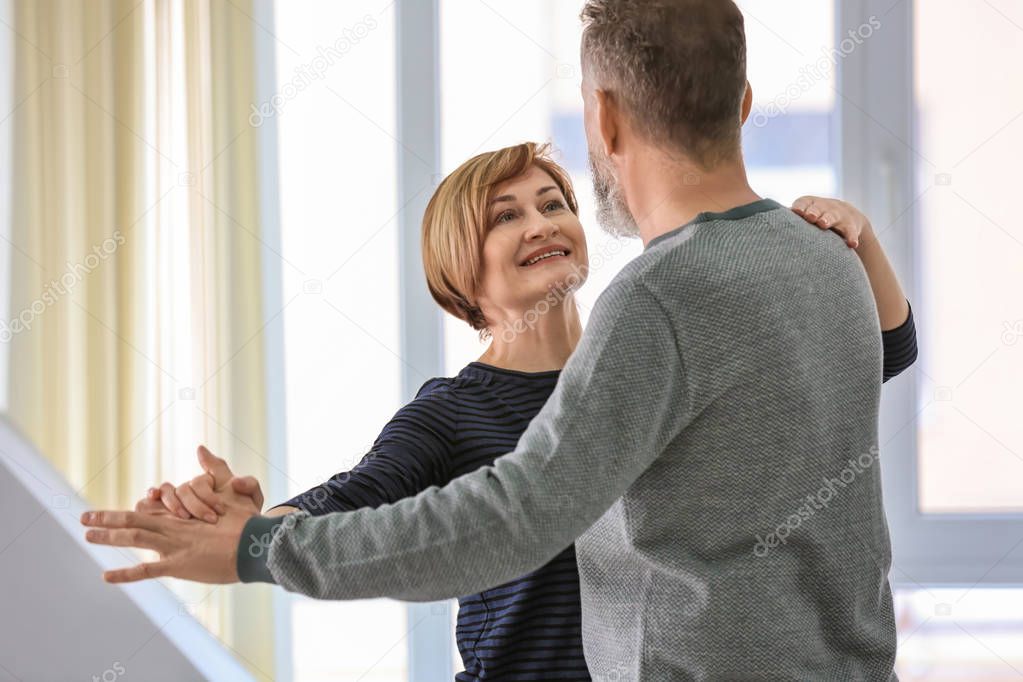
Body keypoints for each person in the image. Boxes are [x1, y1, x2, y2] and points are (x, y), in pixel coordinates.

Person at [81, 1, 916, 678]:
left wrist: (260, 547)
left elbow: (516, 516)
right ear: (741, 102)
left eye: (551, 201)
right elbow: (372, 489)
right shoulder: (823, 260)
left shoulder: (657, 303)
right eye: (503, 216)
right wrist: (270, 523)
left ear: (605, 119)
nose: (542, 221)